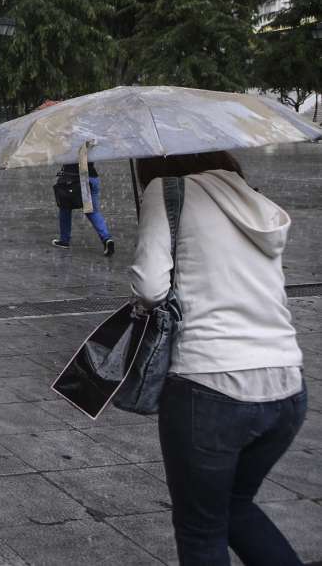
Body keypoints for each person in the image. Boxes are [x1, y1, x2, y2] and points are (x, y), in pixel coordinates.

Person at [130, 152, 305, 565]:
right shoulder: (254, 199)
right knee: (234, 507)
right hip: (287, 387)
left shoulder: (167, 190)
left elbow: (150, 287)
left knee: (200, 528)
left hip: (210, 387)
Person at [52, 162, 115, 255]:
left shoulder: (71, 147)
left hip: (74, 180)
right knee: (92, 211)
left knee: (65, 208)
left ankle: (64, 240)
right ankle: (107, 238)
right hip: (92, 177)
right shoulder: (92, 147)